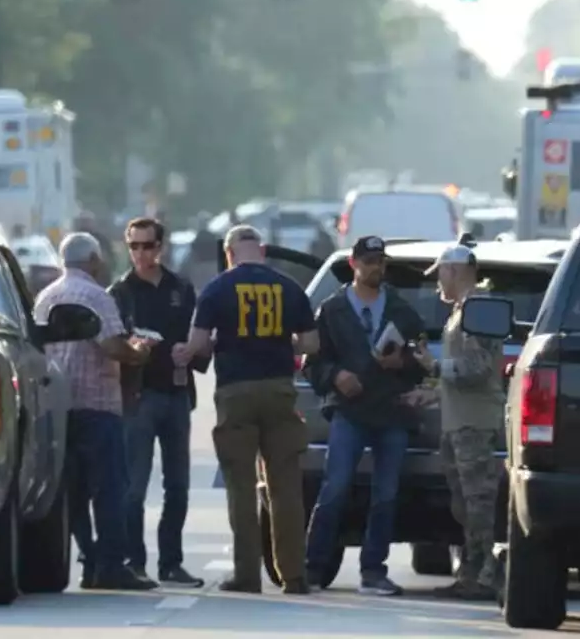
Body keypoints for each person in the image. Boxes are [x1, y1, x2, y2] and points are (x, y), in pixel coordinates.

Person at [176, 225, 319, 595]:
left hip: (235, 392)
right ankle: (294, 575)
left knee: (240, 486)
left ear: (229, 254)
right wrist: (283, 342)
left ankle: (247, 575)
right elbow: (310, 342)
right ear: (263, 251)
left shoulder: (217, 289)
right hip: (279, 390)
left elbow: (198, 344)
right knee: (285, 486)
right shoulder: (289, 287)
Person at [32, 232, 158, 591]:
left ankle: (89, 559)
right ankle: (111, 565)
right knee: (110, 488)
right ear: (92, 260)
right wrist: (140, 351)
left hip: (59, 406)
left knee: (72, 490)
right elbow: (112, 346)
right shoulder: (96, 296)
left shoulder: (45, 298)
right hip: (98, 405)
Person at [303, 236, 427, 595]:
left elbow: (421, 364)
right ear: (354, 264)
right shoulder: (332, 309)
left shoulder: (402, 311)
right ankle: (313, 567)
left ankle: (373, 571)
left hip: (391, 411)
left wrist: (401, 361)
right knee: (335, 488)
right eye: (369, 261)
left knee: (386, 494)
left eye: (380, 261)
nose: (376, 267)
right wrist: (335, 377)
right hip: (349, 411)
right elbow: (312, 362)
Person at [110, 217, 208, 588]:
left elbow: (200, 336)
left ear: (160, 247)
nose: (140, 254)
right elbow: (110, 343)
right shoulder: (120, 292)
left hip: (176, 393)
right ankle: (134, 561)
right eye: (134, 246)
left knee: (178, 485)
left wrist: (193, 350)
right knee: (134, 486)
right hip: (138, 396)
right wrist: (133, 351)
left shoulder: (180, 288)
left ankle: (171, 562)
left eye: (147, 246)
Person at [412, 241, 506, 601]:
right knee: (465, 504)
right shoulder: (463, 311)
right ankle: (470, 572)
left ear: (453, 271)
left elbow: (479, 369)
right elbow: (464, 374)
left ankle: (485, 575)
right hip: (459, 423)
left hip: (474, 425)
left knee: (478, 502)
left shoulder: (477, 310)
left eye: (440, 274)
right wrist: (433, 392)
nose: (438, 282)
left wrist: (435, 368)